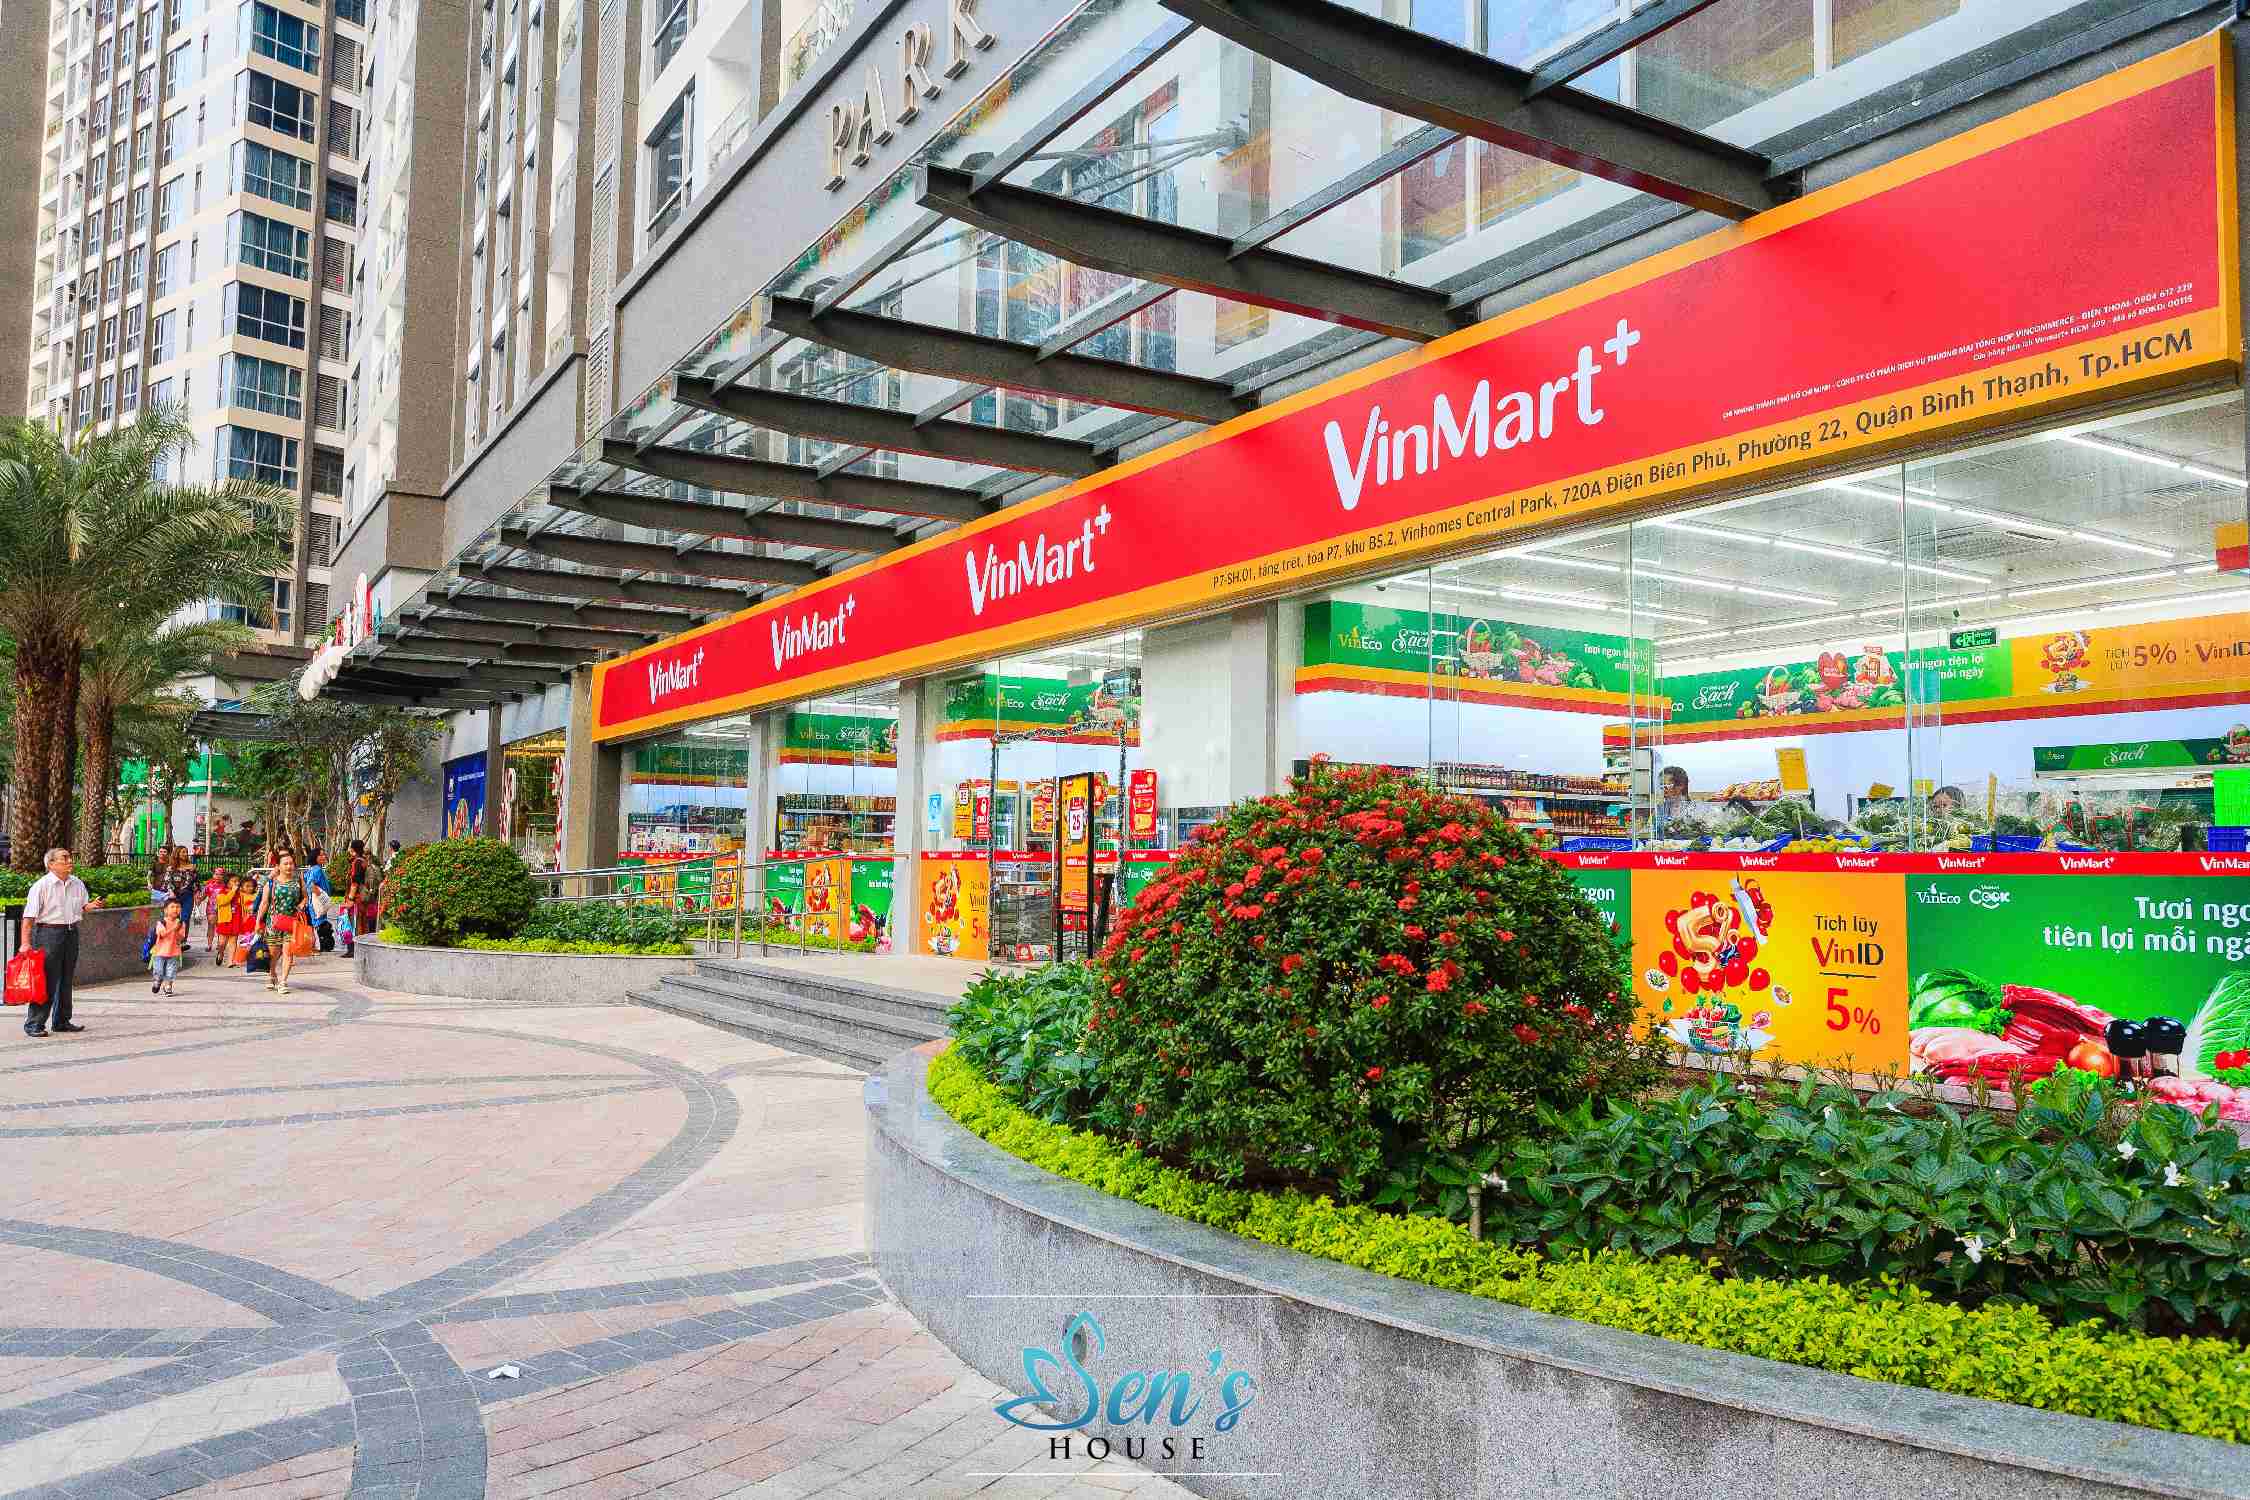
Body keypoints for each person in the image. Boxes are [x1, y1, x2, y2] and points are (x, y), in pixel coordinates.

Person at [20, 848, 102, 1038]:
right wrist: (25, 943)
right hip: (49, 934)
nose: (70, 861)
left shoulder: (77, 883)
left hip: (71, 932)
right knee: (47, 979)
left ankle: (62, 1021)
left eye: (70, 857)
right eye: (64, 858)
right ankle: (34, 1023)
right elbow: (28, 918)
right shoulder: (41, 886)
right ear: (51, 864)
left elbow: (83, 906)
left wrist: (91, 906)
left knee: (66, 979)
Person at [253, 851, 308, 995]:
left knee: (288, 952)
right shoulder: (271, 883)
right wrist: (258, 922)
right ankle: (272, 975)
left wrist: (302, 904)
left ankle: (283, 981)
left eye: (291, 863)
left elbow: (305, 897)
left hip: (292, 923)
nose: (289, 866)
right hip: (273, 924)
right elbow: (264, 903)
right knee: (273, 954)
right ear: (278, 866)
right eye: (285, 864)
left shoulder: (299, 880)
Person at [339, 839, 374, 956]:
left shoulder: (357, 863)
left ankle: (353, 949)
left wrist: (350, 898)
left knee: (354, 922)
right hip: (362, 898)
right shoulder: (364, 861)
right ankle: (361, 948)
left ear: (352, 849)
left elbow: (355, 882)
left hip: (356, 898)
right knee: (361, 921)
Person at [148, 897, 187, 996]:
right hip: (160, 952)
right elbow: (162, 934)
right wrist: (174, 928)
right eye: (172, 907)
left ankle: (168, 986)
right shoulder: (161, 923)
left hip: (174, 952)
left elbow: (180, 938)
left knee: (171, 971)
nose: (175, 909)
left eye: (178, 907)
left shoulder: (181, 923)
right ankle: (158, 981)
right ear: (166, 910)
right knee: (159, 971)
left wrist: (177, 930)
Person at [201, 866, 230, 952]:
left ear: (223, 876)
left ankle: (219, 944)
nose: (218, 876)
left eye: (220, 874)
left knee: (220, 927)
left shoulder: (226, 887)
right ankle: (209, 944)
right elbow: (202, 897)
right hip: (211, 909)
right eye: (216, 874)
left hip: (223, 909)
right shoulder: (209, 886)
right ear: (213, 875)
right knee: (211, 925)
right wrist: (197, 896)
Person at [1655, 765, 1692, 831]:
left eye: (1667, 785)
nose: (1663, 790)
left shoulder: (1691, 810)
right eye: (1661, 785)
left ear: (1681, 785)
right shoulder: (1660, 807)